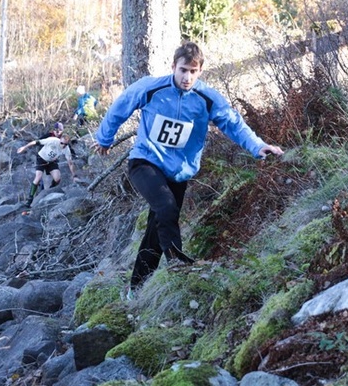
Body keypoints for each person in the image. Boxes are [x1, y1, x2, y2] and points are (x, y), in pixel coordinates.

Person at [92, 41, 284, 297]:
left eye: (193, 72)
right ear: (173, 67)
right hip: (145, 162)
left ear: (200, 71)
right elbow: (121, 106)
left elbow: (233, 123)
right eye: (183, 70)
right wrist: (105, 138)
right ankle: (178, 265)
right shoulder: (151, 88)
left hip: (178, 172)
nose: (187, 77)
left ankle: (136, 288)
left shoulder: (206, 98)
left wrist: (258, 146)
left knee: (156, 227)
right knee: (166, 207)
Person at [17, 122, 76, 207]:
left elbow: (70, 163)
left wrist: (74, 175)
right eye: (62, 143)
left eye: (65, 144)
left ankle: (50, 190)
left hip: (52, 161)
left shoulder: (66, 149)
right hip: (41, 158)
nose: (63, 146)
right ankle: (30, 200)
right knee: (38, 177)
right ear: (60, 141)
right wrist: (24, 147)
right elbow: (36, 142)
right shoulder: (52, 140)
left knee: (57, 178)